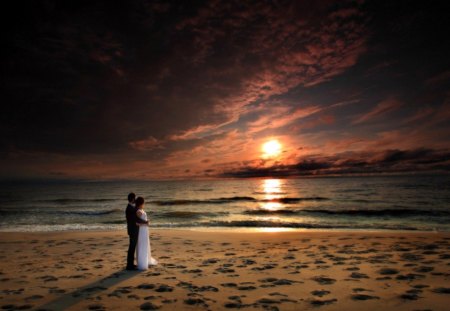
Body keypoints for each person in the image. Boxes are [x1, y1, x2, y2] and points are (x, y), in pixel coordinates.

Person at [125, 192, 148, 270]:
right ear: (132, 199)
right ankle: (129, 265)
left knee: (132, 247)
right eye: (134, 198)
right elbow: (136, 219)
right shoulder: (130, 209)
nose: (135, 200)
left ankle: (131, 264)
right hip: (133, 231)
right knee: (131, 248)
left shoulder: (131, 207)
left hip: (133, 230)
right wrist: (145, 222)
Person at [135, 196, 158, 270]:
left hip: (145, 230)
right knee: (142, 245)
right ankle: (142, 263)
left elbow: (143, 220)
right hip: (141, 230)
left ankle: (146, 260)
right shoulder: (138, 211)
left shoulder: (141, 210)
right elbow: (137, 223)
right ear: (141, 203)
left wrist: (147, 221)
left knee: (145, 244)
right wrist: (146, 223)